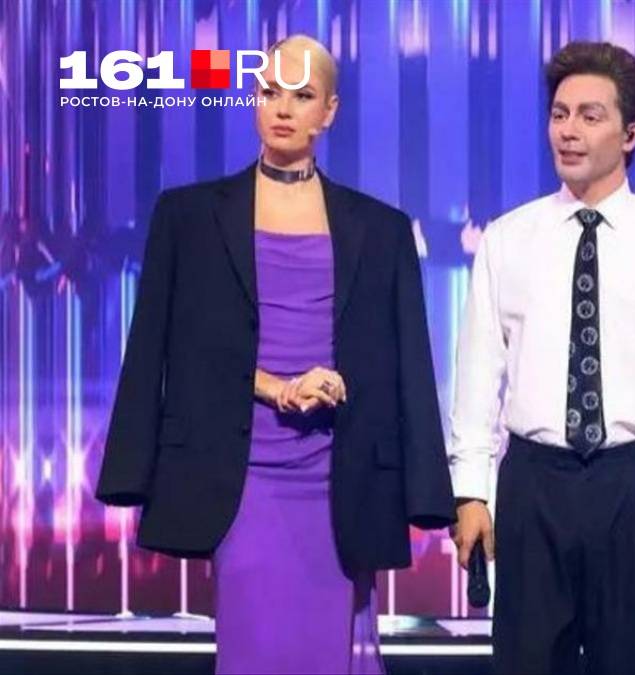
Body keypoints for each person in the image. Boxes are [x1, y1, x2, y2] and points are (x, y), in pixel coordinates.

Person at [96, 34, 455, 674]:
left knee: (326, 648)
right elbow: (160, 347)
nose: (283, 108)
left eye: (302, 95)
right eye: (269, 91)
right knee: (255, 643)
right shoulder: (189, 216)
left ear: (330, 111)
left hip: (338, 473)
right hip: (241, 470)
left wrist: (427, 491)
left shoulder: (381, 228)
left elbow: (408, 367)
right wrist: (270, 388)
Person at [448, 41, 635, 675]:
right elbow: (477, 375)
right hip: (534, 482)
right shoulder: (507, 240)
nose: (569, 131)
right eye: (560, 114)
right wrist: (470, 491)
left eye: (590, 116)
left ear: (630, 133)